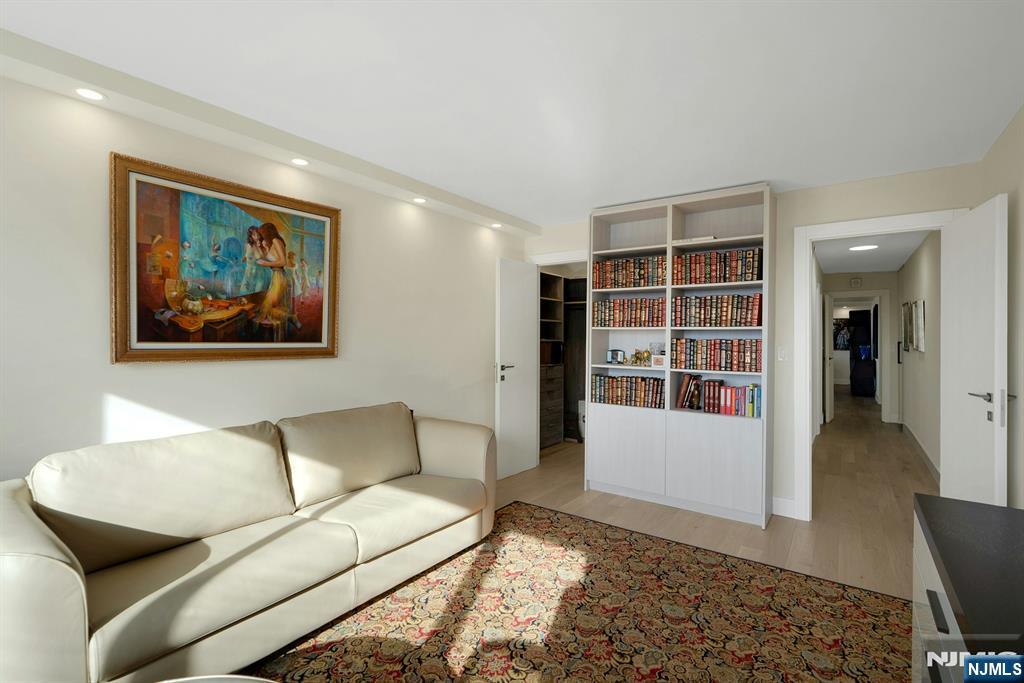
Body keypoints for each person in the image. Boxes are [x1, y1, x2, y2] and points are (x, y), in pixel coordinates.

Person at [255, 223, 290, 324]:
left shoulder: (276, 240)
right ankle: (290, 318)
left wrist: (265, 263)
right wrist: (264, 248)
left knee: (267, 307)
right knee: (268, 307)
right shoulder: (272, 243)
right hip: (276, 276)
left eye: (262, 233)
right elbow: (273, 260)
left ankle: (291, 317)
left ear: (267, 232)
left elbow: (283, 262)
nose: (261, 236)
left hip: (280, 276)